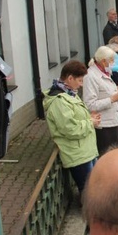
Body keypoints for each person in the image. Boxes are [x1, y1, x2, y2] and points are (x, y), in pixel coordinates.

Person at [44, 61, 100, 196]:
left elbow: (75, 118)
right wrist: (90, 123)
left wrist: (88, 118)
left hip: (84, 150)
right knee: (88, 191)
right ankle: (90, 215)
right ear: (70, 78)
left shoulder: (69, 93)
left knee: (93, 187)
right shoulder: (59, 101)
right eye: (80, 81)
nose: (81, 85)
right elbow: (69, 129)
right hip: (77, 153)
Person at [83, 46, 118, 154]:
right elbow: (89, 104)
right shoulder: (90, 76)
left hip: (112, 122)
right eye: (112, 60)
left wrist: (117, 89)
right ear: (103, 61)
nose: (113, 63)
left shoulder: (105, 72)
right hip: (103, 126)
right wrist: (112, 99)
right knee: (108, 156)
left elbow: (103, 93)